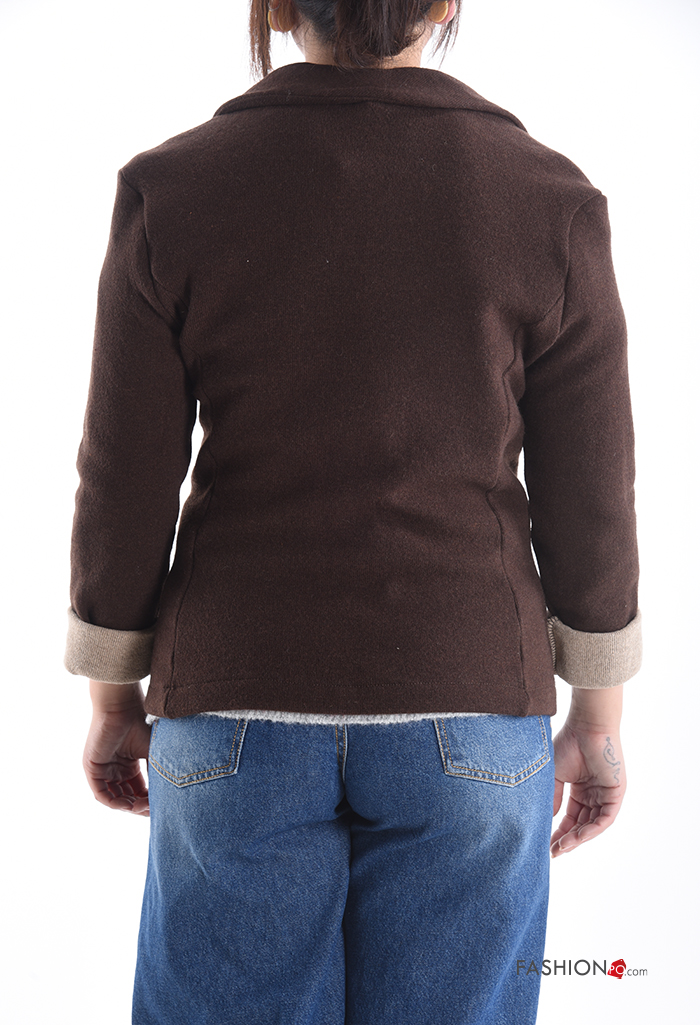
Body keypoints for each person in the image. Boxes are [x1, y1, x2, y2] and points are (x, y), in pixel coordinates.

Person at [65, 2, 642, 1023]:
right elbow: (591, 491)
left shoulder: (172, 189)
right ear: (446, 3)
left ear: (278, 7)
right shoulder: (549, 199)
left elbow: (124, 481)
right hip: (469, 700)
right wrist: (597, 717)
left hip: (234, 702)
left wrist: (114, 695)